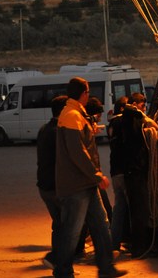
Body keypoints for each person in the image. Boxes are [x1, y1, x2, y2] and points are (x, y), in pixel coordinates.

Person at [55, 76, 127, 278]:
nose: (89, 95)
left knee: (101, 226)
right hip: (76, 185)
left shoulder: (77, 113)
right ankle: (62, 271)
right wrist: (97, 175)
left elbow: (80, 146)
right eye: (87, 92)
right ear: (83, 93)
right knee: (72, 231)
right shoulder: (71, 115)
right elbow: (77, 152)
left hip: (85, 183)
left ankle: (106, 268)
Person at [121, 92, 158, 258]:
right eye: (141, 104)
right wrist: (141, 114)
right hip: (134, 172)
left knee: (140, 211)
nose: (144, 107)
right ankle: (139, 248)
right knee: (140, 212)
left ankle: (139, 246)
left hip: (136, 171)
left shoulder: (134, 120)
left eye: (144, 104)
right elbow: (131, 111)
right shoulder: (130, 117)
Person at [37, 95, 68, 271]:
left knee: (59, 225)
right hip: (55, 186)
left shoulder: (44, 129)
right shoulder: (58, 132)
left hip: (44, 185)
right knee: (69, 227)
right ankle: (57, 260)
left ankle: (59, 262)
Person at [107, 97, 130, 253]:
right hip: (125, 171)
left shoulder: (111, 124)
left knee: (119, 208)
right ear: (123, 109)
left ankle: (114, 243)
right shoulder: (123, 122)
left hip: (115, 171)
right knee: (132, 209)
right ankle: (135, 243)